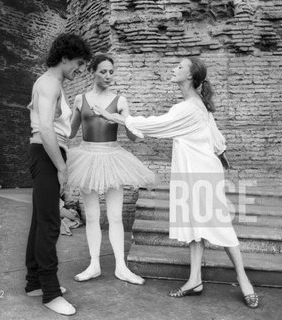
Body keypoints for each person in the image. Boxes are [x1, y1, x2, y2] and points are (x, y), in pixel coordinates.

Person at [93, 57, 259, 308]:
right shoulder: (195, 104)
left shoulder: (189, 108)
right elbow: (214, 136)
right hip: (192, 172)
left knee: (220, 227)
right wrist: (221, 153)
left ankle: (244, 280)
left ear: (191, 76)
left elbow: (155, 125)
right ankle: (194, 280)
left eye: (180, 67)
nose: (174, 69)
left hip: (201, 174)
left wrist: (112, 116)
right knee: (194, 226)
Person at [67, 54, 155, 285]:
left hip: (113, 158)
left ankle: (121, 267)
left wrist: (120, 119)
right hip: (86, 158)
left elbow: (134, 138)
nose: (108, 76)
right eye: (103, 71)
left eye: (111, 72)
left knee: (115, 217)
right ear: (92, 72)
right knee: (92, 215)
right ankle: (94, 264)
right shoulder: (79, 99)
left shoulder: (120, 100)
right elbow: (70, 132)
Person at [24, 33, 92, 316]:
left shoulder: (52, 84)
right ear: (64, 58)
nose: (79, 69)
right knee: (51, 223)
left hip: (47, 153)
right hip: (47, 153)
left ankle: (34, 283)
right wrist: (61, 167)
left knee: (40, 222)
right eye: (78, 63)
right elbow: (45, 128)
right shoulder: (49, 83)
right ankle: (51, 293)